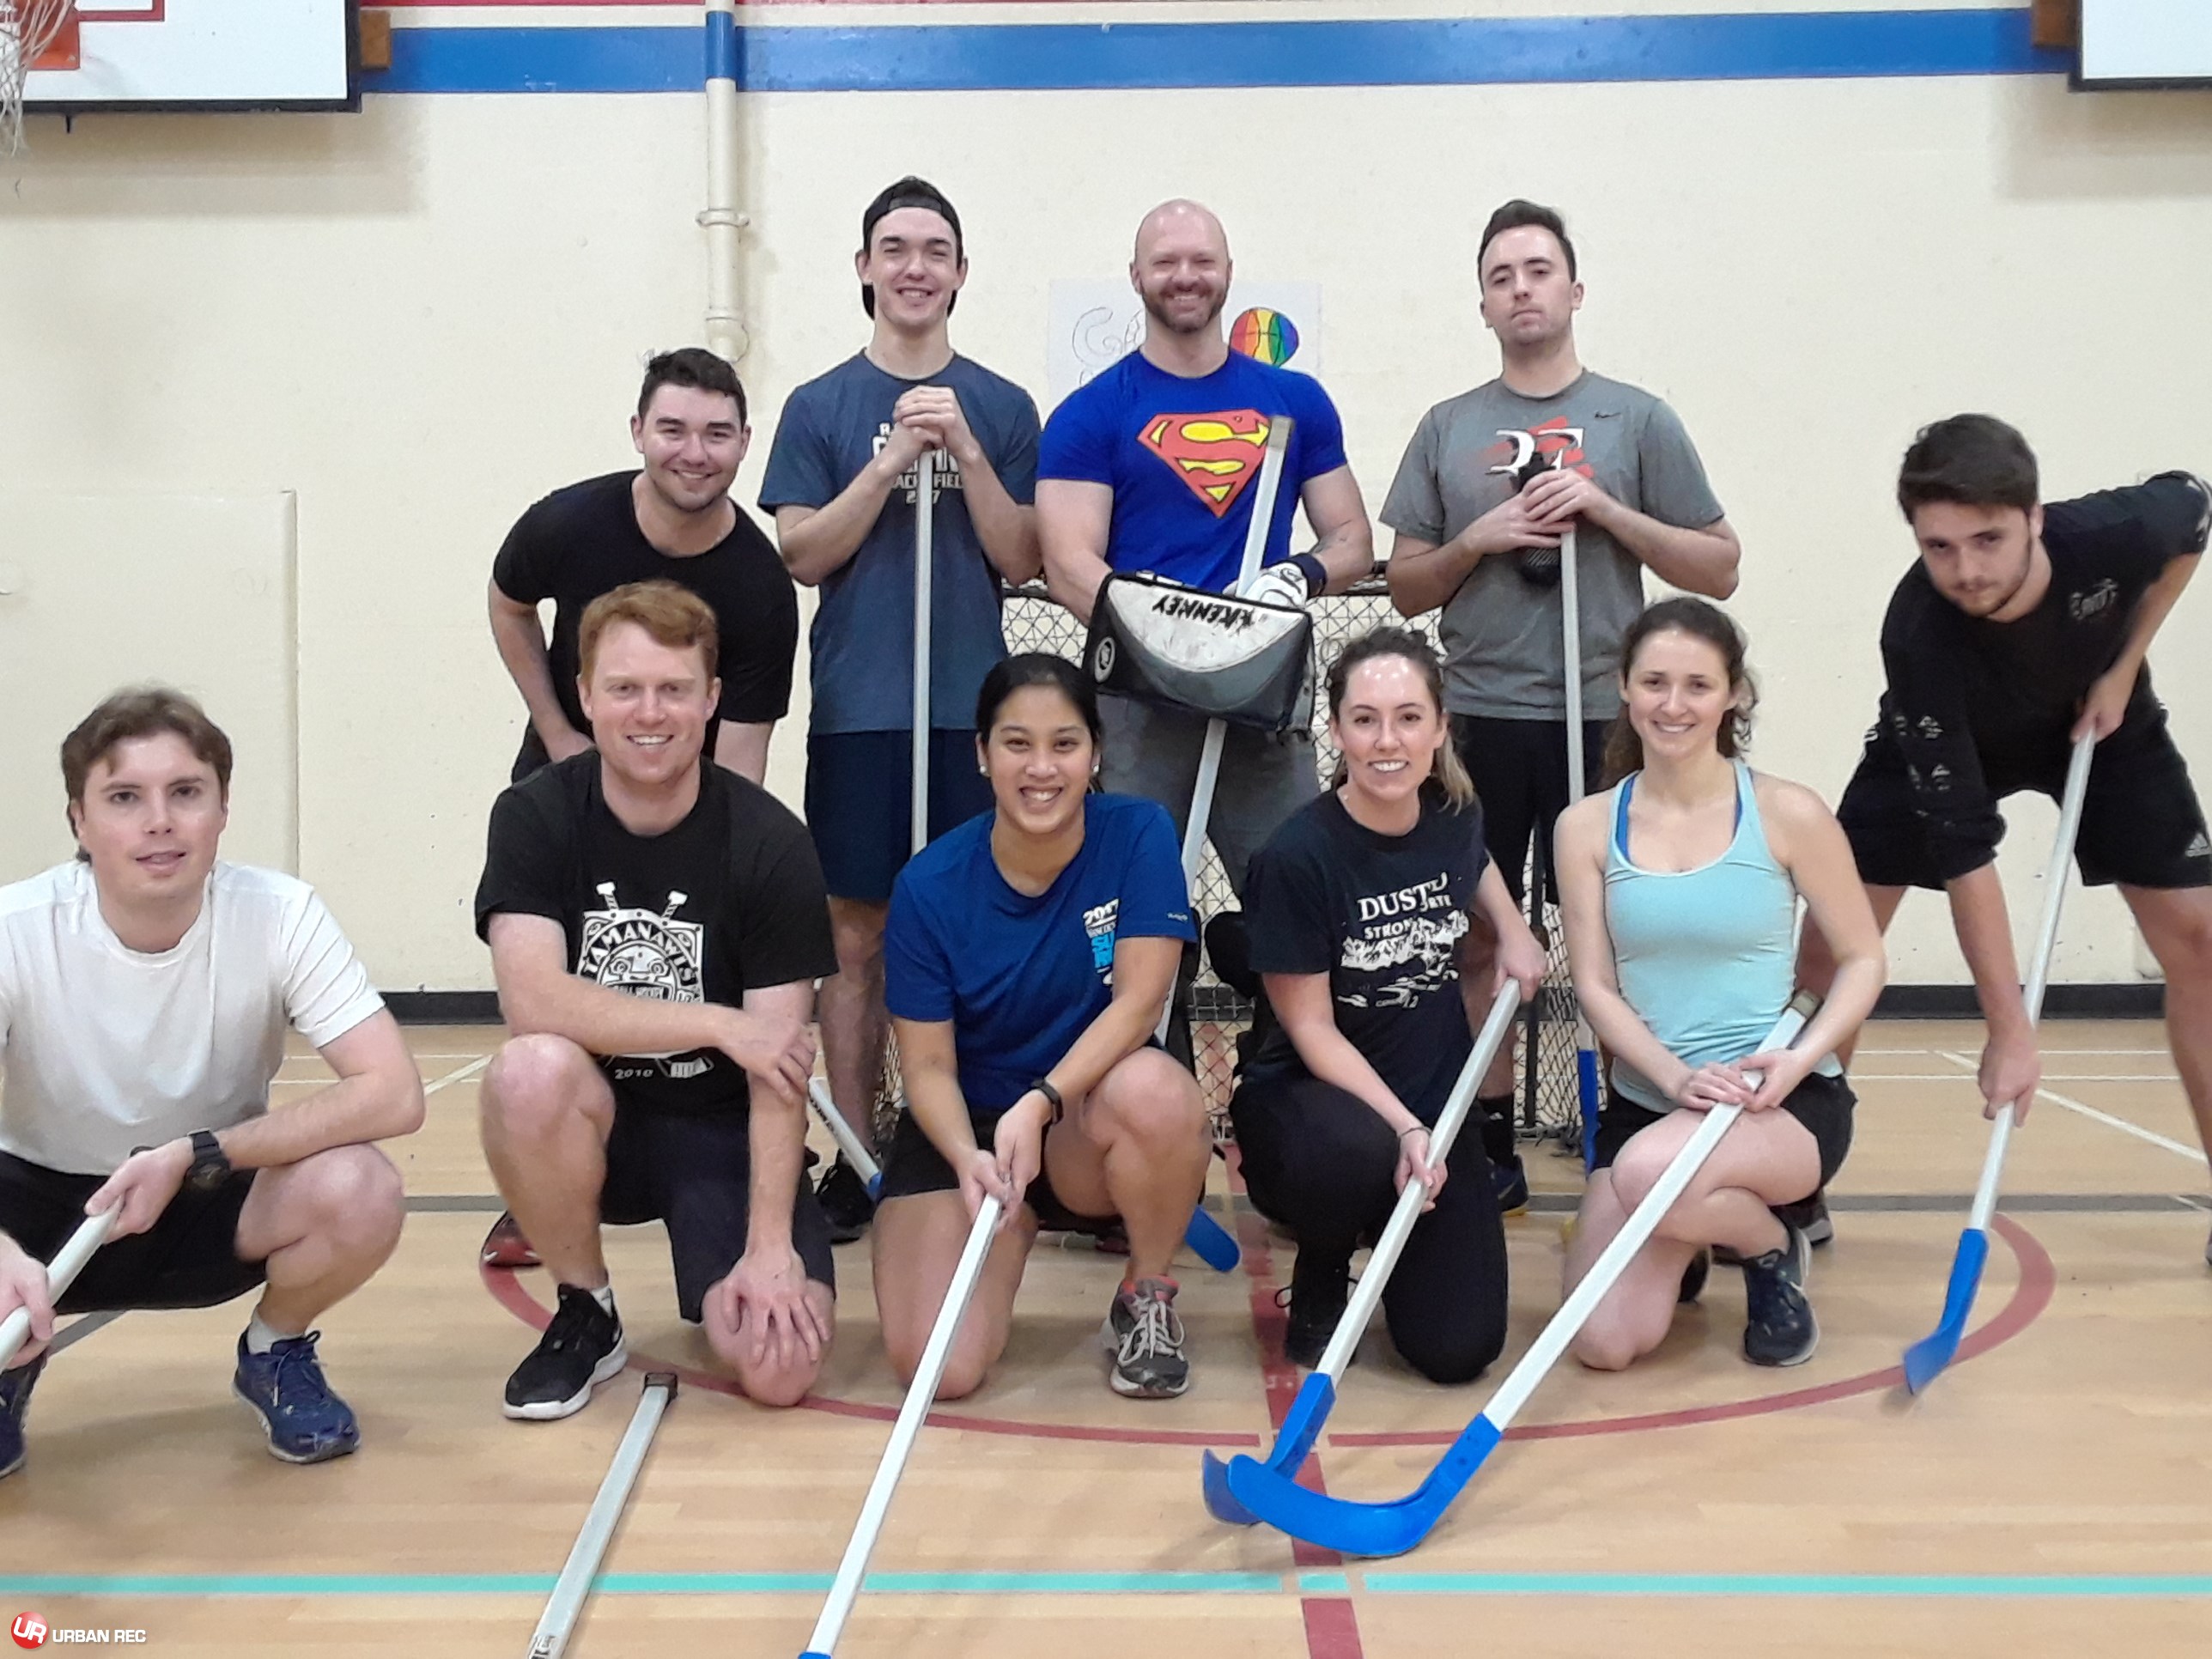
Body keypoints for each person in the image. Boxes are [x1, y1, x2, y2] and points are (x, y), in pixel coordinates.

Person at [1382, 199, 1741, 1214]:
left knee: (1619, 928)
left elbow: (1718, 565)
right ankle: (1487, 1141)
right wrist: (1480, 538)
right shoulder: (1447, 429)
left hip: (1607, 720)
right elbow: (1406, 585)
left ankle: (1633, 1125)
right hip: (1485, 718)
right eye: (1500, 275)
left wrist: (1605, 511)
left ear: (1573, 289)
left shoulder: (1635, 419)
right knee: (1478, 937)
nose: (1521, 288)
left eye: (1538, 270)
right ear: (1482, 302)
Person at [1801, 416, 2212, 1261]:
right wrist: (2008, 1031)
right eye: (1938, 547)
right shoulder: (1917, 633)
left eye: (1985, 539)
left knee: (2200, 943)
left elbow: (2194, 518)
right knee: (1830, 952)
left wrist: (2126, 658)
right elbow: (1964, 852)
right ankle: (1791, 1184)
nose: (1964, 571)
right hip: (1946, 738)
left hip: (2098, 723)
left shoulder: (2120, 529)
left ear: (2034, 516)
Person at [0, 689, 422, 1479]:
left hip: (201, 1190)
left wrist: (198, 1152)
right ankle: (8, 1365)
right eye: (125, 798)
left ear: (222, 809)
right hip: (37, 1212)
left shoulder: (280, 913)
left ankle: (276, 1348)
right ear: (78, 822)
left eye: (185, 793)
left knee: (360, 1182)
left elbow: (392, 1092)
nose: (159, 821)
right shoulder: (16, 930)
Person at [474, 580, 839, 1420]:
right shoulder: (533, 817)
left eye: (675, 690)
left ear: (710, 701)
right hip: (596, 1118)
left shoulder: (769, 843)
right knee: (529, 1070)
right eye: (625, 688)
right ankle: (584, 1309)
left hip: (722, 1129)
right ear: (584, 696)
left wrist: (771, 1247)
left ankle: (747, 1256)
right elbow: (533, 1002)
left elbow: (776, 1069)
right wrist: (714, 1021)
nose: (651, 712)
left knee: (779, 1373)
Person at [760, 177, 1042, 1243]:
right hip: (863, 708)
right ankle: (858, 1149)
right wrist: (887, 464)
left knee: (972, 922)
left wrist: (964, 450)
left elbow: (1020, 560)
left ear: (961, 273)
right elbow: (800, 554)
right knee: (855, 933)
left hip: (969, 711)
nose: (915, 265)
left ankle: (957, 1127)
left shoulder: (1004, 407)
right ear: (865, 269)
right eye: (894, 247)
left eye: (935, 249)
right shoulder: (821, 407)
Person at [1555, 599, 1885, 1370]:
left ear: (1733, 693)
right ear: (1625, 690)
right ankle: (1692, 1224)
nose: (1674, 705)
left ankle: (1771, 1245)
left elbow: (1864, 960)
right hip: (1653, 1106)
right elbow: (1597, 988)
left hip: (1778, 1107)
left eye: (1698, 685)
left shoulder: (1787, 812)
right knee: (1604, 1345)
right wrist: (1672, 1075)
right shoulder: (1587, 826)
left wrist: (1798, 1062)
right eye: (1655, 683)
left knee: (1643, 1175)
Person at [874, 654, 1212, 1400]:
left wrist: (1042, 1101)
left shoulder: (1138, 834)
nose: (1042, 768)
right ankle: (1007, 1222)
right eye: (1017, 743)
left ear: (1095, 752)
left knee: (1158, 1092)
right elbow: (927, 1068)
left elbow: (1139, 1003)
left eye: (1064, 743)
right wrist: (968, 1155)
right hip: (968, 1129)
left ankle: (1144, 1295)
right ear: (982, 753)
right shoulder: (928, 886)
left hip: (1077, 1118)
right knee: (942, 1371)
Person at [1229, 629, 1547, 1377]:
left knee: (1457, 1350)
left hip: (1433, 1104)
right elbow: (1309, 1028)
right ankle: (1323, 1261)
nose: (1387, 740)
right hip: (1316, 1106)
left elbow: (1474, 858)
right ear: (1336, 730)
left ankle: (1391, 1227)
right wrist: (1405, 1127)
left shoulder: (1452, 810)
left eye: (1409, 717)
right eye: (1365, 719)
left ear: (1439, 728)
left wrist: (1513, 930)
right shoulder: (1297, 857)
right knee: (1352, 1153)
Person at [1036, 198, 1375, 900]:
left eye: (1201, 261)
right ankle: (1160, 1013)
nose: (1184, 276)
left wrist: (1297, 574)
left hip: (1263, 689)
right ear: (1135, 276)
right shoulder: (1092, 412)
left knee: (1294, 891)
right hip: (1142, 702)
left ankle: (1291, 1015)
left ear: (1228, 273)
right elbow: (1068, 564)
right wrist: (1162, 631)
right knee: (1138, 900)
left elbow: (1351, 539)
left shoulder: (1294, 401)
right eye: (1165, 262)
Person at [489, 346, 799, 787]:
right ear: (638, 432)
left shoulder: (762, 589)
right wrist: (558, 734)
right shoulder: (565, 524)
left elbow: (740, 774)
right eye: (673, 431)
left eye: (716, 434)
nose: (695, 454)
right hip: (559, 784)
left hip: (685, 813)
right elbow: (508, 605)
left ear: (744, 442)